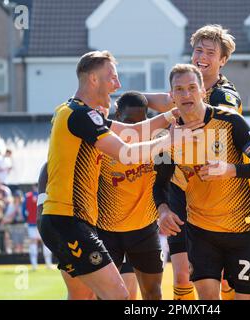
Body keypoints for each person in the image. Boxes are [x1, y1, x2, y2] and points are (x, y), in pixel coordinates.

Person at [38, 51, 202, 300]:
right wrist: (170, 140)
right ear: (93, 79)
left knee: (83, 296)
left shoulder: (79, 113)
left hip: (69, 221)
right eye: (112, 77)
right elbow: (126, 153)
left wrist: (171, 115)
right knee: (118, 296)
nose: (118, 84)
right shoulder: (79, 115)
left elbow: (133, 130)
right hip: (68, 220)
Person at [154, 64, 250, 300]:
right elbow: (160, 183)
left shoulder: (231, 122)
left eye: (191, 88)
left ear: (202, 91)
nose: (186, 95)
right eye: (179, 89)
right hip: (201, 231)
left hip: (242, 227)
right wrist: (163, 209)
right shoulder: (168, 136)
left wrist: (229, 170)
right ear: (171, 96)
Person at [149, 24, 243, 300]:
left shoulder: (225, 96)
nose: (201, 56)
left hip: (218, 193)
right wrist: (136, 100)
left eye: (210, 53)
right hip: (181, 188)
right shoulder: (186, 87)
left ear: (222, 61)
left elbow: (220, 123)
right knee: (181, 274)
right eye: (198, 50)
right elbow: (167, 101)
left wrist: (177, 131)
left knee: (223, 280)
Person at [96, 91, 164, 300]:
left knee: (152, 293)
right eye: (129, 122)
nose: (134, 128)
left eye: (141, 122)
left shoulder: (157, 142)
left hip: (144, 228)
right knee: (106, 295)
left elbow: (179, 105)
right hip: (107, 230)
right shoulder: (101, 143)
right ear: (117, 118)